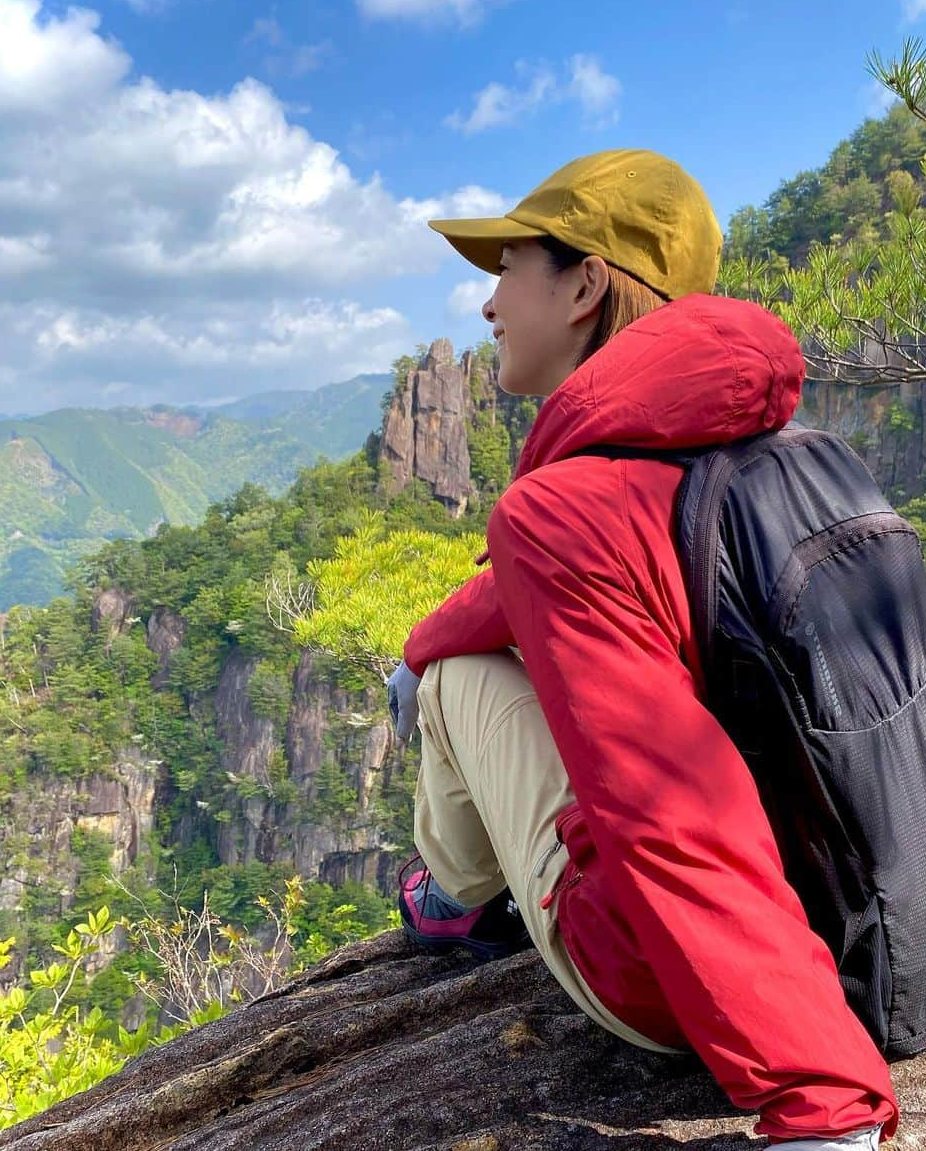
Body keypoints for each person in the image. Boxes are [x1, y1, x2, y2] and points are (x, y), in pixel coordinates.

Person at [385, 150, 899, 1149]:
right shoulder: (779, 460)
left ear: (582, 283)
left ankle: (453, 900)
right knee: (444, 655)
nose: (488, 305)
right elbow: (530, 591)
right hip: (865, 924)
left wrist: (823, 1106)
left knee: (452, 684)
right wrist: (423, 638)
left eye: (509, 268)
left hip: (659, 980)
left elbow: (677, 811)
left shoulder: (562, 510)